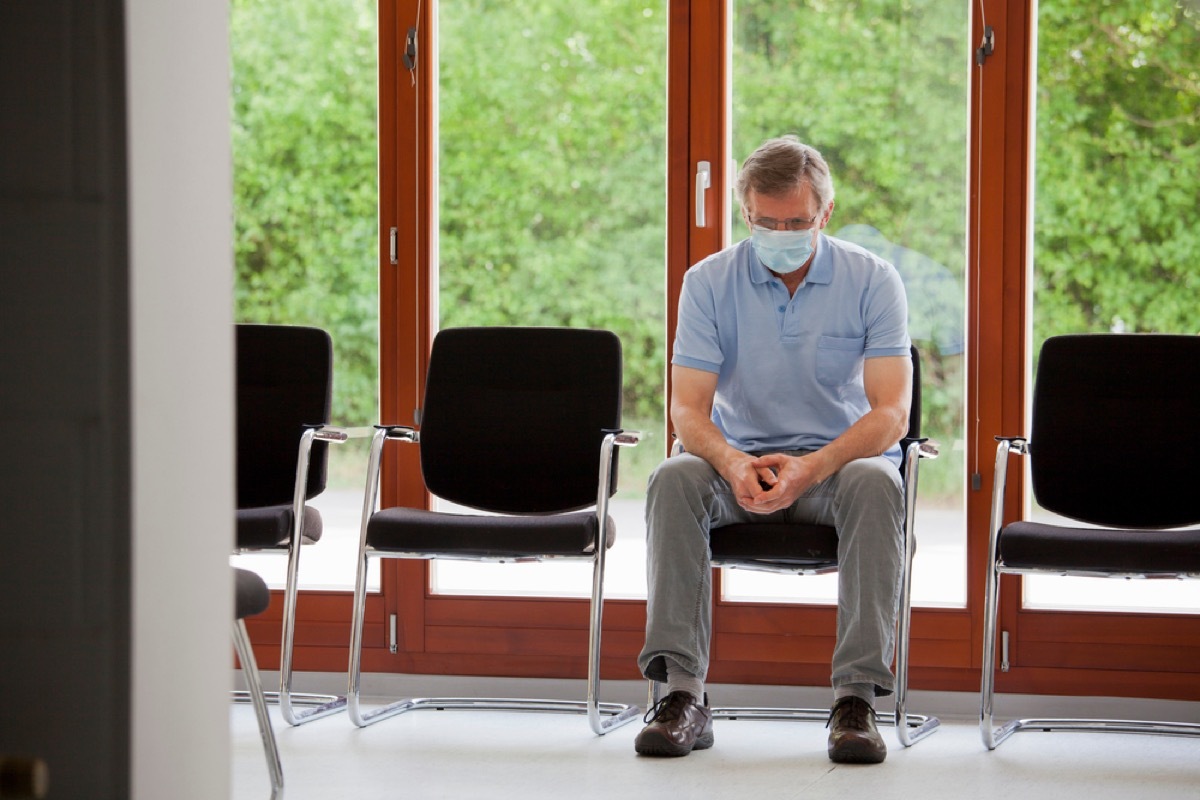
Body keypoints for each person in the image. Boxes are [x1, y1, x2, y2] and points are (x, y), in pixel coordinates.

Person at [634, 136, 912, 764]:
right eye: (766, 222)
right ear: (746, 214)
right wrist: (732, 462)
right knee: (674, 476)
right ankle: (682, 696)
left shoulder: (874, 280)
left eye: (796, 222)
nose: (780, 233)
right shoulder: (707, 283)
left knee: (878, 481)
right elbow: (686, 409)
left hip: (835, 470)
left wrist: (812, 466)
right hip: (739, 467)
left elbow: (891, 413)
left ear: (826, 214)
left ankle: (856, 700)